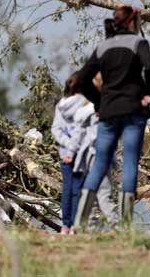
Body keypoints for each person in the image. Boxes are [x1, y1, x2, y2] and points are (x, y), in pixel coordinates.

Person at [73, 6, 150, 230]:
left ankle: (81, 220)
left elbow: (81, 79)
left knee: (99, 163)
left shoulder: (103, 47)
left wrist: (99, 102)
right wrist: (148, 94)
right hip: (133, 111)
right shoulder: (138, 43)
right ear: (132, 22)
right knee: (129, 162)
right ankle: (126, 224)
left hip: (108, 112)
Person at [67, 73, 119, 229]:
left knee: (96, 192)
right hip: (101, 156)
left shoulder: (93, 106)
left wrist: (71, 151)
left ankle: (95, 224)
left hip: (95, 155)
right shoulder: (109, 104)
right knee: (98, 193)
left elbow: (79, 127)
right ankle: (99, 224)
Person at [51, 74, 86, 234]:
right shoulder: (86, 104)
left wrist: (66, 144)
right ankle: (75, 225)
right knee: (78, 189)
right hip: (80, 152)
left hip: (64, 153)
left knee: (67, 189)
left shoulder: (60, 105)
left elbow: (55, 129)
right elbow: (84, 130)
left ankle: (65, 225)